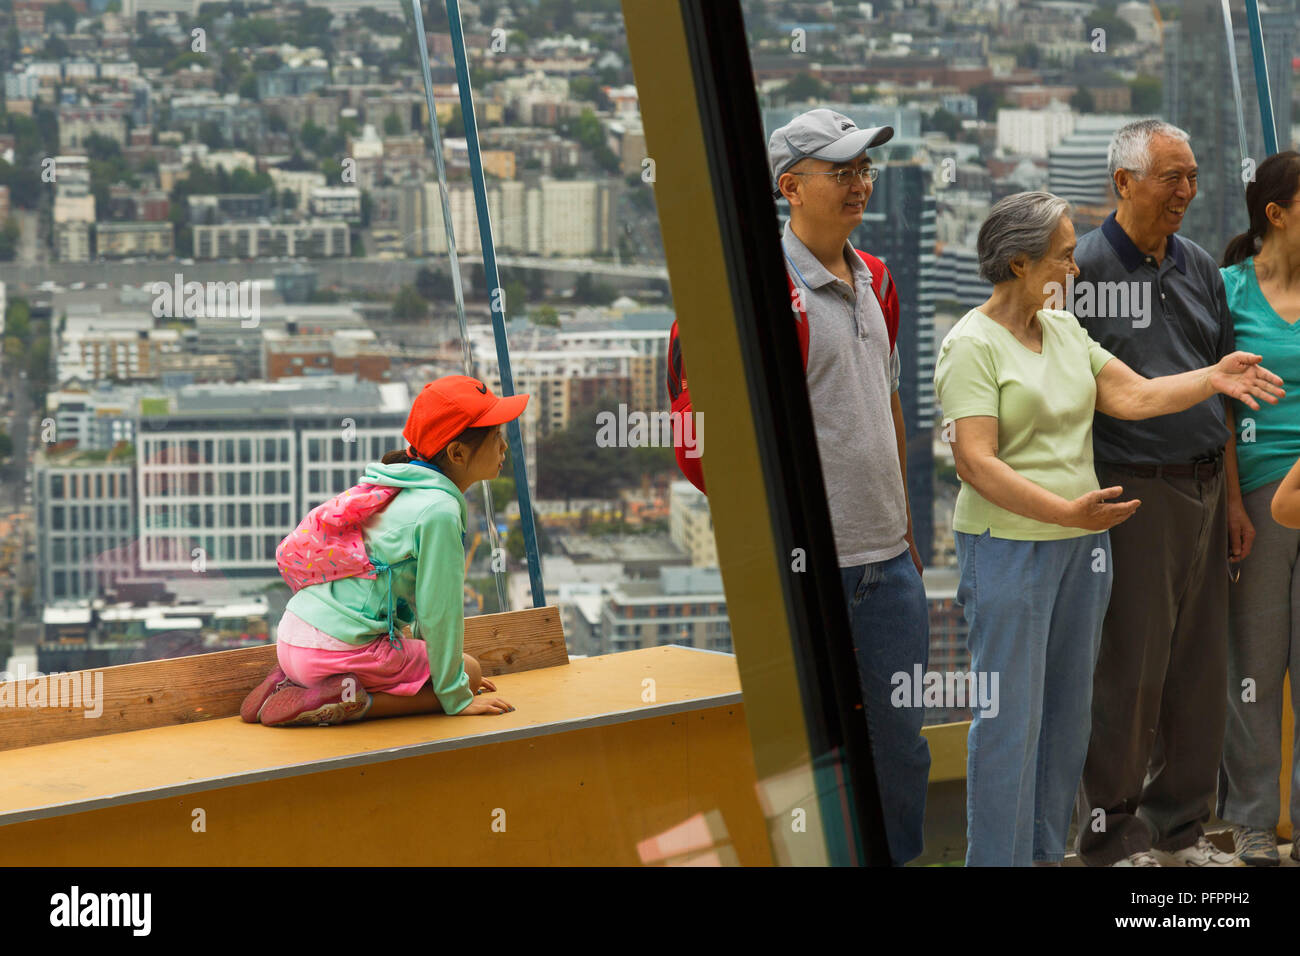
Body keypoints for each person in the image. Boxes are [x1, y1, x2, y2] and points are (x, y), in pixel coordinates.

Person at [935, 191, 1280, 867]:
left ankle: (1039, 855)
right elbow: (975, 463)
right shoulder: (969, 345)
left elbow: (1133, 395)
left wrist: (1213, 377)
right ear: (1018, 262)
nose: (1077, 268)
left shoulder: (1062, 329)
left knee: (1067, 724)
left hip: (1079, 549)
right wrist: (1065, 511)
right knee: (1012, 724)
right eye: (1065, 255)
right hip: (1011, 551)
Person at [1073, 119, 1254, 866]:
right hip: (1135, 495)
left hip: (1210, 489)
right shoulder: (1082, 272)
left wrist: (1236, 500)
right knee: (1131, 673)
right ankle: (1113, 839)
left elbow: (1224, 392)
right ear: (1124, 183)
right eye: (1171, 177)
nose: (1186, 191)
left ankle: (1181, 831)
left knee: (1201, 670)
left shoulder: (1200, 267)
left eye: (1193, 176)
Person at [767, 108, 929, 865]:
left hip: (888, 565)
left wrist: (902, 531)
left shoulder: (879, 281)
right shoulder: (769, 297)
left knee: (901, 754)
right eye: (842, 172)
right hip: (812, 572)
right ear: (789, 187)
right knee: (812, 764)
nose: (860, 184)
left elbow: (890, 402)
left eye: (864, 169)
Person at [240, 376, 522, 726]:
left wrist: (438, 674)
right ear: (457, 452)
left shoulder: (392, 484)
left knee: (455, 670)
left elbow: (423, 607)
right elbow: (438, 610)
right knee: (473, 670)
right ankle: (337, 701)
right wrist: (455, 690)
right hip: (335, 653)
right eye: (497, 439)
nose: (504, 449)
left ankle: (288, 684)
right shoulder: (439, 511)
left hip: (292, 641)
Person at [1217, 150, 1300, 865]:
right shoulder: (1227, 293)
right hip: (1254, 498)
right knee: (1255, 665)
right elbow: (1213, 403)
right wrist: (1229, 505)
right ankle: (1251, 822)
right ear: (1275, 216)